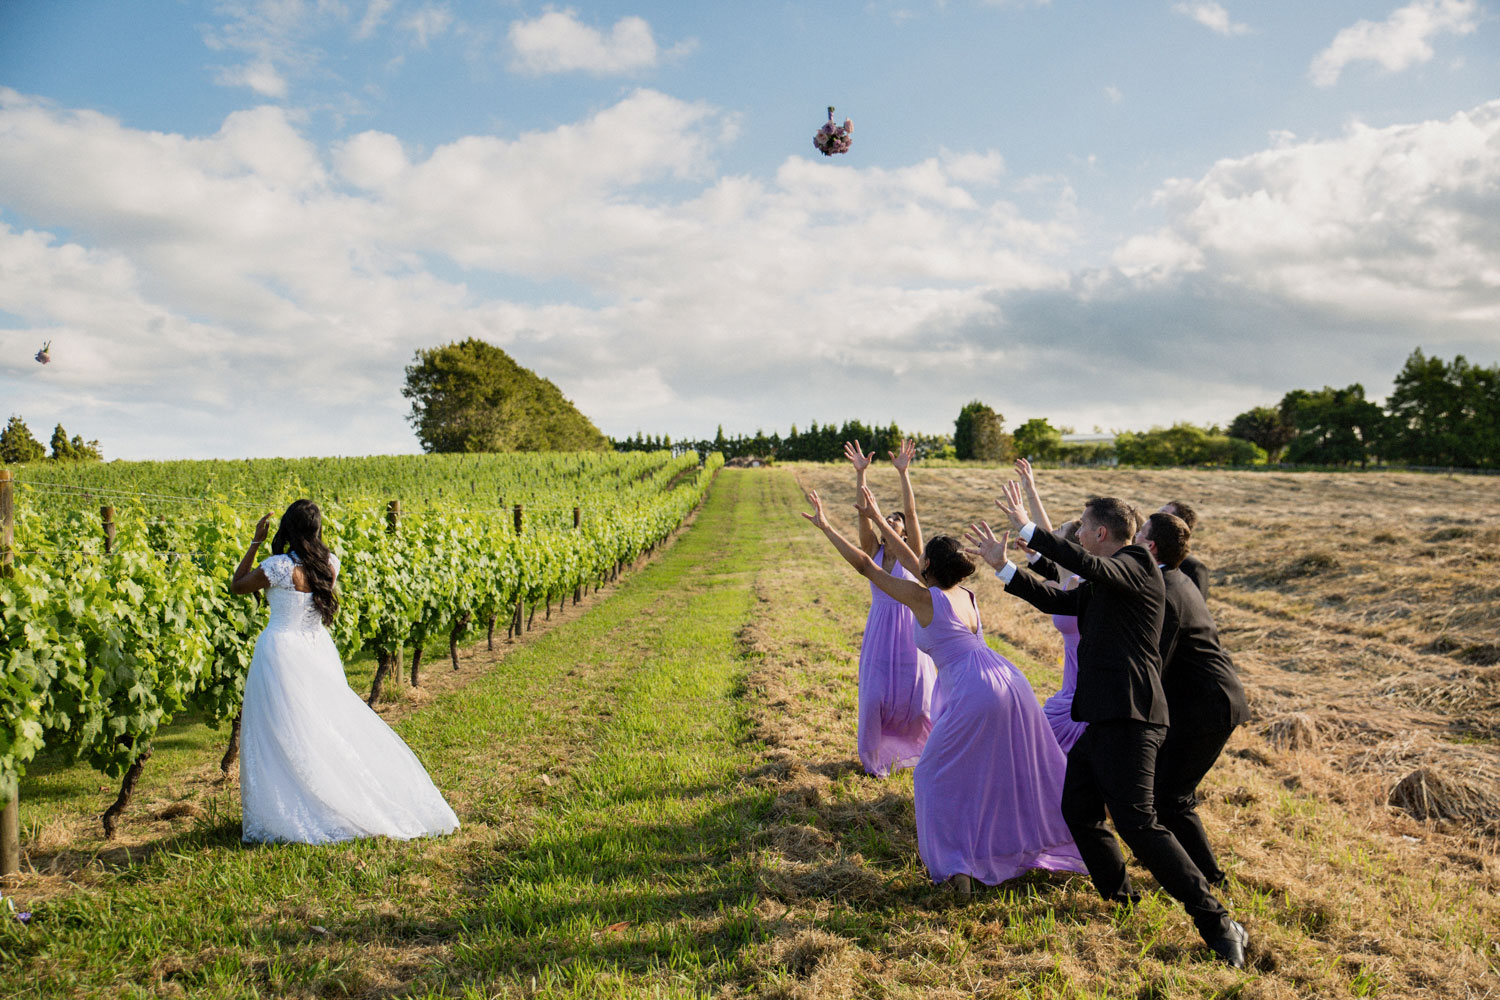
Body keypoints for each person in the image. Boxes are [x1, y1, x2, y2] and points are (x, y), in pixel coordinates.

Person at [969, 485, 1247, 968]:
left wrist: (1028, 526)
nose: (1076, 531)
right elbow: (1058, 601)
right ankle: (1121, 898)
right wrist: (1002, 566)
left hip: (1133, 718)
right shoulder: (1106, 583)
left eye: (1081, 525)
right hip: (1103, 716)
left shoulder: (1138, 565)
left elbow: (1088, 566)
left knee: (1139, 823)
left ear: (1100, 533)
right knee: (1079, 808)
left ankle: (1218, 923)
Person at [801, 486, 1084, 898]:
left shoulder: (924, 598)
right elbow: (907, 559)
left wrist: (827, 525)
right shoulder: (963, 593)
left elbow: (866, 565)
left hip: (975, 689)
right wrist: (879, 519)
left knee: (932, 774)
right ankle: (1027, 844)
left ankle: (957, 868)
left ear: (928, 565)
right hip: (1009, 680)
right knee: (1000, 770)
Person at [231, 500, 460, 844]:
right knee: (320, 726)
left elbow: (237, 585)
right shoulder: (330, 564)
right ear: (317, 529)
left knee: (278, 730)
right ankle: (324, 796)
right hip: (316, 649)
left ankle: (289, 809)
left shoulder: (277, 567)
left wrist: (255, 542)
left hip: (279, 651)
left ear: (288, 529)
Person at [1137, 512, 1249, 887]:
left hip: (1207, 706)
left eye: (1138, 534)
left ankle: (1211, 880)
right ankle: (1180, 866)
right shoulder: (1172, 577)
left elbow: (1158, 662)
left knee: (1172, 797)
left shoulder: (1166, 591)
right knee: (1165, 794)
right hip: (1201, 702)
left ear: (1150, 547)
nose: (1132, 540)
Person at [844, 439, 939, 777]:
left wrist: (904, 473)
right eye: (888, 518)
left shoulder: (912, 554)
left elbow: (912, 513)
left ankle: (920, 750)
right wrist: (861, 475)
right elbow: (863, 514)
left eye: (895, 519)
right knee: (874, 696)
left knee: (916, 697)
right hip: (880, 629)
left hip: (909, 629)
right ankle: (873, 754)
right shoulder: (873, 550)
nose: (892, 520)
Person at [1011, 459, 1088, 753]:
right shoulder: (1066, 579)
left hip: (1087, 687)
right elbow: (1050, 543)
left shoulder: (1083, 582)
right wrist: (1031, 487)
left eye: (1059, 531)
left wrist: (1030, 497)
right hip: (1070, 685)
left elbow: (1048, 538)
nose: (1052, 533)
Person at [1160, 500, 1209, 598]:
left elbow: (1195, 609)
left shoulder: (1193, 568)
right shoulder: (1144, 556)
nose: (1153, 518)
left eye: (1162, 515)